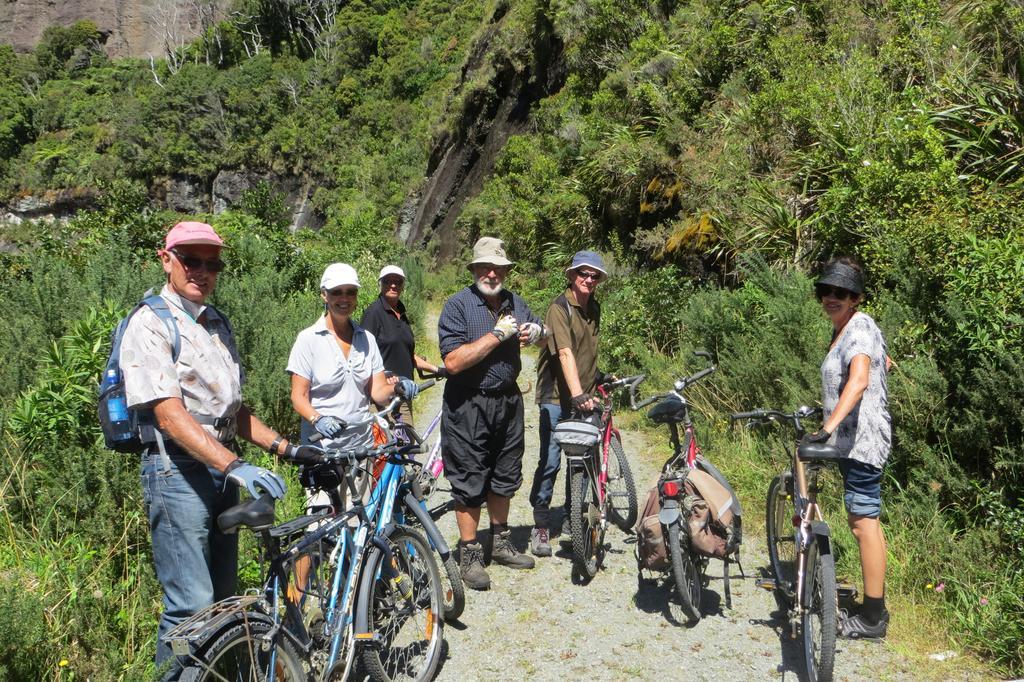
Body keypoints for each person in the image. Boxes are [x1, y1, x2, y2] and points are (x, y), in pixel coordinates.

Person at [121, 221, 295, 677]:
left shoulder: (216, 323)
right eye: (190, 260)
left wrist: (285, 448)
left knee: (224, 601)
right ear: (166, 259)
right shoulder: (150, 323)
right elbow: (169, 416)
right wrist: (236, 464)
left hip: (222, 470)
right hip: (176, 471)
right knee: (191, 607)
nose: (202, 271)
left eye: (211, 263)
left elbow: (231, 411)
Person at [437, 237, 547, 590]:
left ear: (505, 271)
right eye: (485, 267)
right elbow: (452, 362)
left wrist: (537, 331)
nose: (491, 273)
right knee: (469, 477)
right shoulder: (457, 305)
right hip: (468, 403)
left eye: (498, 268)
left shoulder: (514, 302)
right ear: (473, 270)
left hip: (508, 401)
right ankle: (469, 553)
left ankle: (500, 542)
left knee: (505, 470)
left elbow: (541, 334)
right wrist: (497, 335)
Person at [802, 256, 891, 639]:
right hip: (854, 442)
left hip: (861, 444)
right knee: (864, 521)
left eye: (841, 292)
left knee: (862, 523)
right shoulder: (851, 329)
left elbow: (857, 380)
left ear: (856, 297)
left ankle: (873, 618)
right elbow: (879, 363)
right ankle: (875, 607)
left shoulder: (857, 327)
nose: (831, 298)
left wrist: (828, 427)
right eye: (826, 291)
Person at [287, 262, 417, 470]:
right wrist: (317, 419)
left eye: (350, 292)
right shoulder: (308, 340)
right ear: (324, 295)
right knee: (327, 504)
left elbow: (379, 393)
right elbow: (297, 397)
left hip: (362, 450)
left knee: (364, 503)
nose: (344, 299)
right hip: (322, 452)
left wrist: (397, 387)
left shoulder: (367, 339)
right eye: (336, 292)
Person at [529, 250, 609, 557]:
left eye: (594, 275)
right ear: (571, 276)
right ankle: (541, 524)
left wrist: (596, 380)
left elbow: (586, 352)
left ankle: (572, 517)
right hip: (556, 397)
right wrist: (576, 394)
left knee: (582, 460)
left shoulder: (594, 308)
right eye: (582, 274)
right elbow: (564, 353)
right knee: (551, 461)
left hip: (583, 395)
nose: (588, 279)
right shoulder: (559, 308)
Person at [360, 264, 441, 426]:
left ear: (403, 286)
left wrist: (437, 369)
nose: (393, 285)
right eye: (387, 281)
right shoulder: (373, 313)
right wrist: (386, 375)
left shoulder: (402, 313)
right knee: (387, 448)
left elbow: (407, 355)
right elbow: (363, 355)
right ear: (380, 284)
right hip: (382, 399)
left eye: (398, 281)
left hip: (404, 394)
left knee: (406, 446)